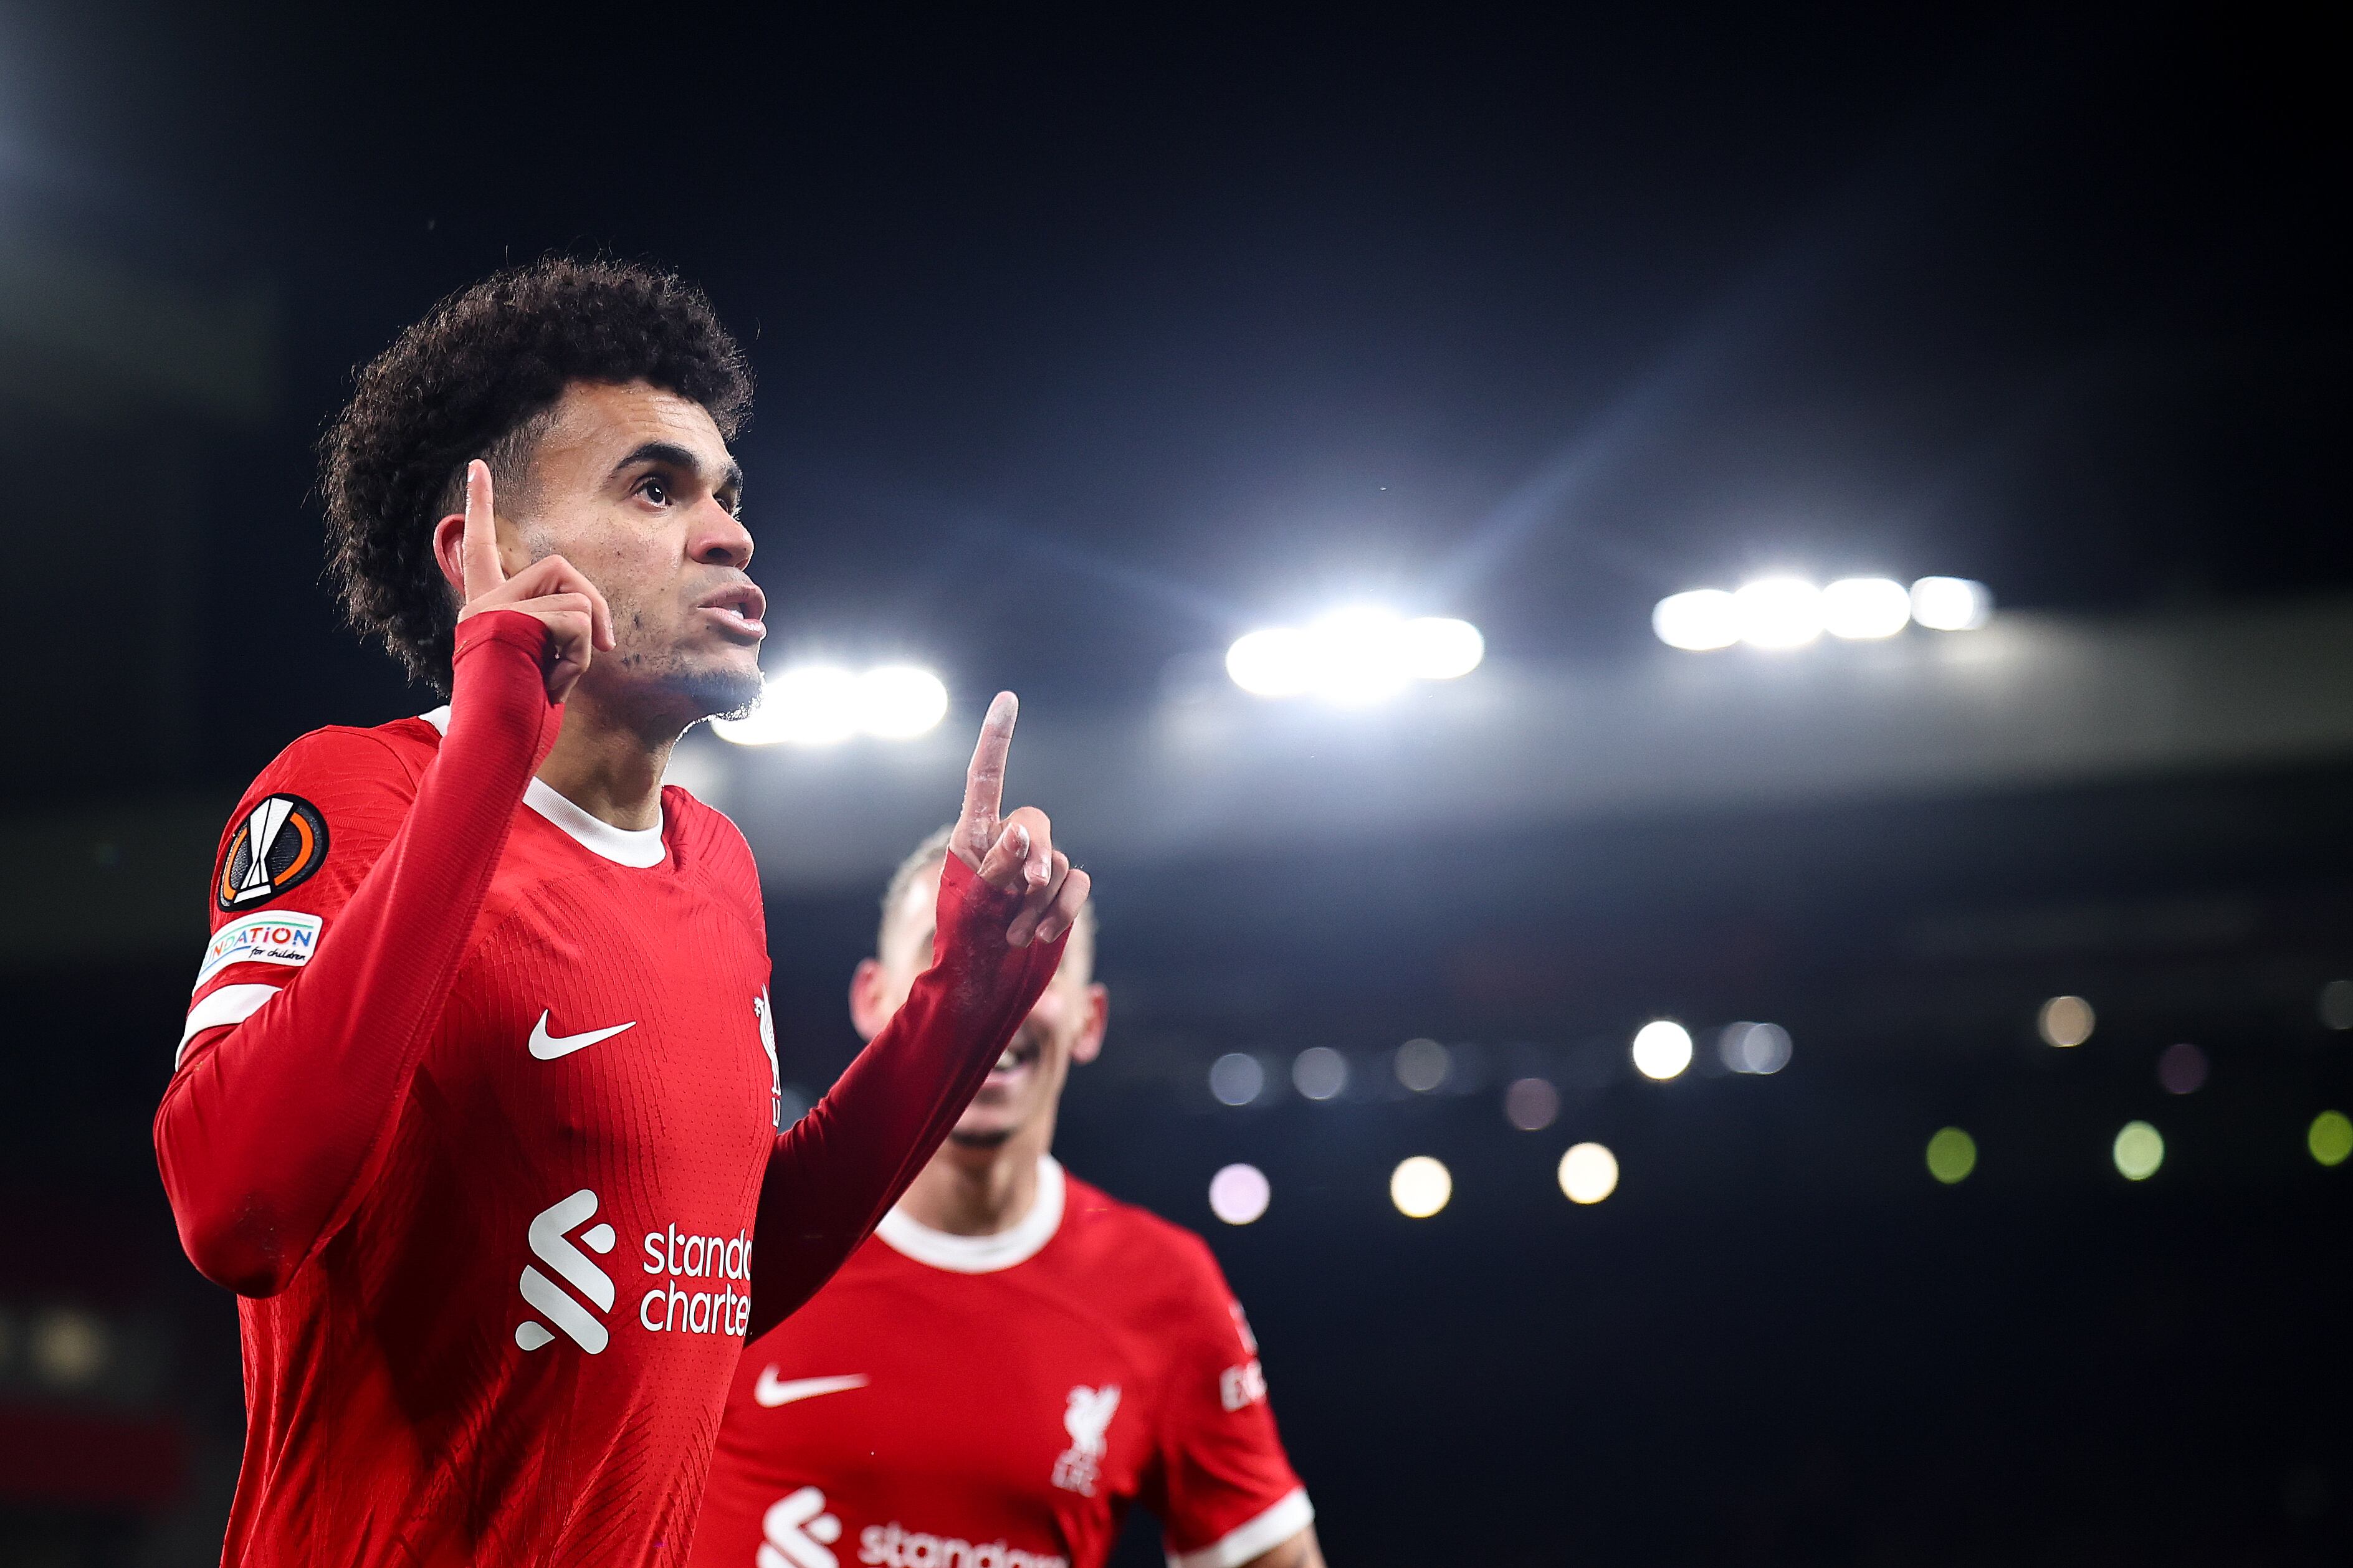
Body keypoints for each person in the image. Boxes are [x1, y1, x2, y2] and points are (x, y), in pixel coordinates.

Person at [153, 259, 1091, 1567]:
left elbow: (720, 1277)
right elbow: (233, 1211)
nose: (729, 533)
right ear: (480, 556)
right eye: (656, 489)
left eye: (726, 494)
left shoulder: (718, 865)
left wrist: (959, 1006)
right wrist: (489, 743)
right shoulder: (346, 793)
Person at [690, 825, 1324, 1568]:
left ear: (1090, 1020)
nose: (990, 991)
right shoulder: (737, 1234)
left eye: (1034, 962)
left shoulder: (1165, 1288)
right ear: (872, 998)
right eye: (944, 951)